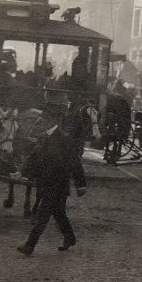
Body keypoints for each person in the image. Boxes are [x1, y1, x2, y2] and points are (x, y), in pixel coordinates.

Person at [16, 104, 87, 255]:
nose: (40, 121)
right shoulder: (43, 137)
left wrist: (81, 185)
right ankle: (70, 237)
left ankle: (29, 245)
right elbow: (33, 158)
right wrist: (21, 172)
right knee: (59, 214)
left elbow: (75, 162)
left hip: (58, 186)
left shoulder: (65, 139)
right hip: (46, 184)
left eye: (44, 119)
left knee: (43, 215)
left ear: (52, 121)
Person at [102, 91, 132, 164]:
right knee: (111, 133)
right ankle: (110, 152)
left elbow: (121, 115)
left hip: (121, 117)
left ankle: (115, 152)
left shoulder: (117, 102)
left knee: (117, 135)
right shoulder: (110, 102)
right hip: (116, 117)